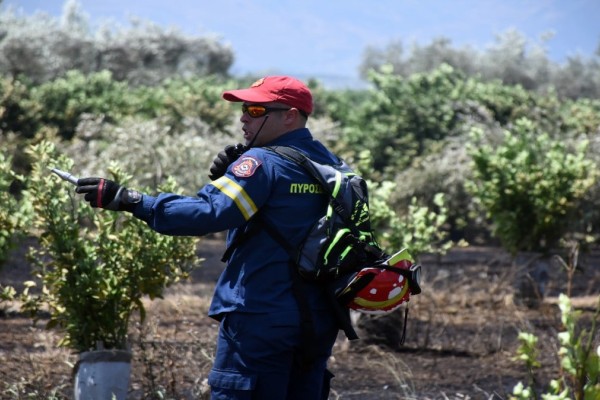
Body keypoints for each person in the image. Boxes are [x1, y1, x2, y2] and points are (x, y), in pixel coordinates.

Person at [75, 76, 344, 399]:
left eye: (256, 110)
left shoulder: (261, 162)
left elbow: (209, 212)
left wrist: (132, 201)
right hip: (319, 320)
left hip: (261, 316)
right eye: (244, 109)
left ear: (289, 115)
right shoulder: (333, 165)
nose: (243, 117)